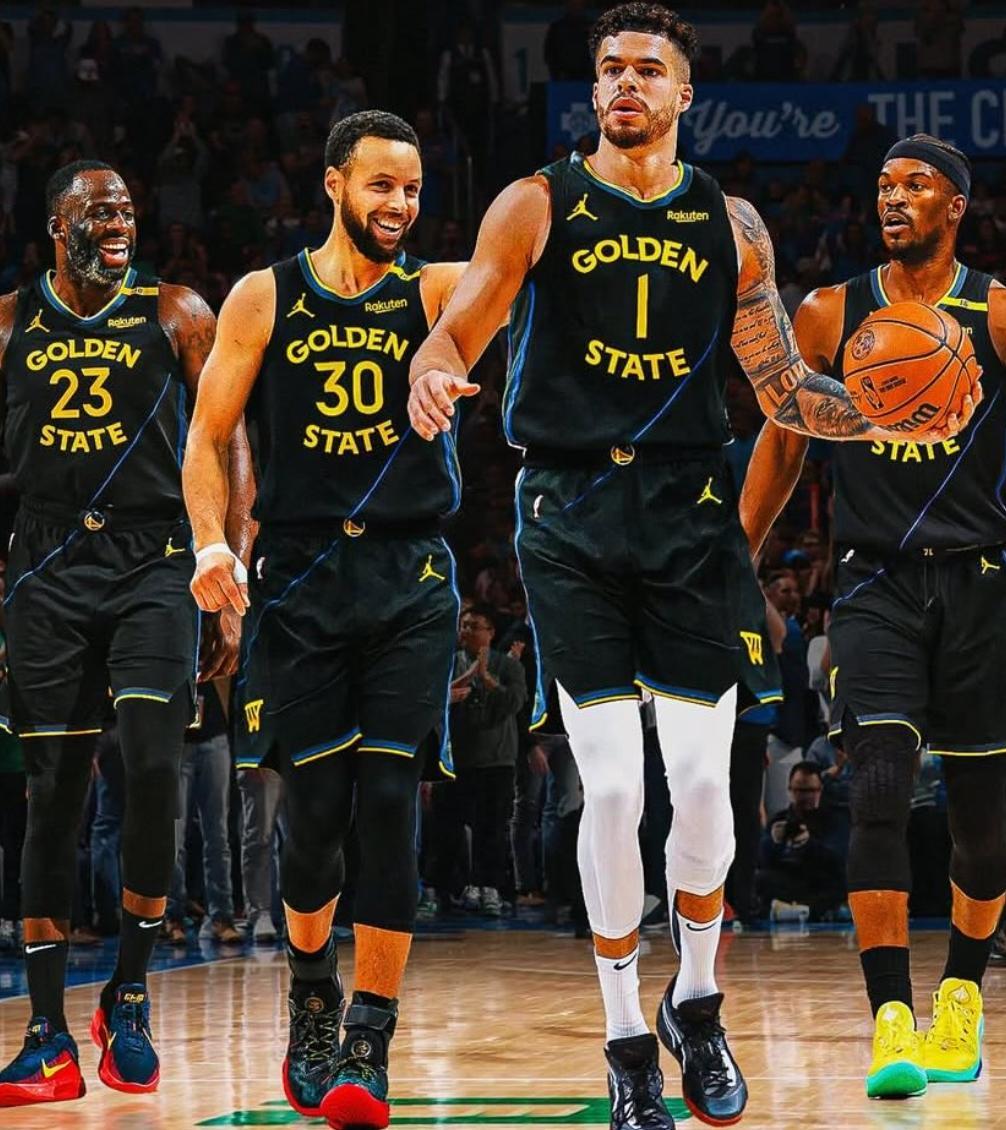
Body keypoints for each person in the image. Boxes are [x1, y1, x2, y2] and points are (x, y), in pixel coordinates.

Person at [408, 6, 972, 1126]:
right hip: (569, 509)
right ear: (594, 91)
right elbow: (461, 325)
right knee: (614, 787)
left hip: (688, 511)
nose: (625, 84)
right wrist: (432, 365)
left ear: (683, 95)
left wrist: (880, 412)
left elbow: (783, 391)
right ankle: (627, 1038)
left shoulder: (732, 223)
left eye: (647, 70)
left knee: (709, 788)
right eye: (610, 69)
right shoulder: (536, 202)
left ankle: (696, 1001)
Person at [182, 111, 474, 1130]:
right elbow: (208, 433)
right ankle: (312, 991)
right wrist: (210, 544)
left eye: (414, 188)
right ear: (336, 184)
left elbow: (530, 268)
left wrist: (445, 356)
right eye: (382, 184)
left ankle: (370, 1035)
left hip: (409, 572)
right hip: (301, 575)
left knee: (390, 801)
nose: (400, 204)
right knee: (312, 819)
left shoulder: (437, 291)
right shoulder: (265, 294)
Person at [740, 133, 1006, 1099]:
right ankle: (891, 1014)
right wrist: (739, 556)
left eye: (917, 185)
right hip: (872, 581)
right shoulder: (830, 313)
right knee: (880, 787)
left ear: (955, 207)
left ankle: (961, 995)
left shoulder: (996, 312)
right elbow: (784, 440)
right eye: (885, 184)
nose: (894, 198)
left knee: (983, 825)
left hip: (982, 582)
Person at [0, 159, 253, 1107]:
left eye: (127, 212)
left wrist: (230, 568)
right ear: (54, 228)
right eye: (98, 213)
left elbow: (227, 438)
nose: (119, 224)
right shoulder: (11, 322)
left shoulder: (177, 311)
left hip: (154, 560)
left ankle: (131, 993)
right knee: (53, 795)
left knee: (153, 769)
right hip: (47, 564)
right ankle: (46, 1036)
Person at [430, 604, 526, 915]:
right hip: (455, 759)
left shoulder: (508, 665)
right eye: (464, 625)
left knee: (493, 828)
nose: (467, 631)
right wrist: (470, 676)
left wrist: (486, 679)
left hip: (497, 759)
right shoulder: (448, 663)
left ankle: (491, 888)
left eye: (475, 626)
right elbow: (432, 698)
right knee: (447, 827)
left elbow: (515, 702)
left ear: (491, 632)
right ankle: (443, 889)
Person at [756, 761, 846, 920]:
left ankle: (799, 911)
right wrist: (774, 842)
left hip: (818, 882)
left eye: (810, 791)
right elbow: (762, 861)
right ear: (790, 790)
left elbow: (839, 861)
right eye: (798, 790)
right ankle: (799, 911)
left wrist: (809, 845)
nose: (804, 797)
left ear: (820, 791)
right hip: (787, 880)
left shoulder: (834, 819)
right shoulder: (780, 820)